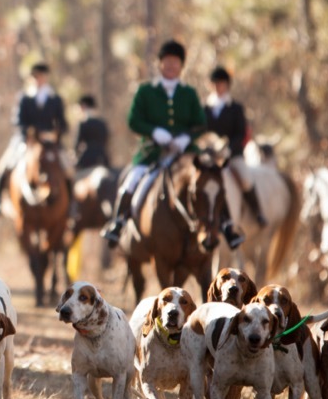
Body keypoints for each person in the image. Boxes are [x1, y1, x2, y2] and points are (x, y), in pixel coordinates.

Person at [100, 40, 243, 248]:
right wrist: (154, 132)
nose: (171, 66)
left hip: (185, 153)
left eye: (175, 62)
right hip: (152, 152)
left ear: (181, 66)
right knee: (132, 180)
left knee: (210, 181)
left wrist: (186, 138)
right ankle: (118, 222)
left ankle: (228, 226)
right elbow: (133, 120)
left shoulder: (189, 93)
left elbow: (200, 124)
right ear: (160, 64)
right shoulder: (146, 90)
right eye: (167, 61)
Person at [0, 63, 68, 216]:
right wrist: (31, 133)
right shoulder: (24, 98)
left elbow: (63, 124)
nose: (39, 80)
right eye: (36, 77)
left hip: (50, 143)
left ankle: (72, 204)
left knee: (68, 168)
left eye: (41, 76)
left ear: (46, 78)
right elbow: (18, 122)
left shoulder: (55, 99)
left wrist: (54, 134)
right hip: (27, 141)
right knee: (4, 166)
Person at [204, 66, 266, 225]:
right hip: (210, 156)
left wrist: (228, 149)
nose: (218, 87)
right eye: (215, 83)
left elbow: (241, 132)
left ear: (227, 85)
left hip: (232, 154)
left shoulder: (236, 108)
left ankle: (258, 211)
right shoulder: (205, 109)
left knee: (245, 179)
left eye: (221, 83)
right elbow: (202, 133)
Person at [73, 94, 110, 170]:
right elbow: (106, 140)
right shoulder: (102, 123)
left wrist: (75, 156)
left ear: (84, 106)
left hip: (87, 159)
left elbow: (77, 144)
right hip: (102, 158)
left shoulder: (83, 124)